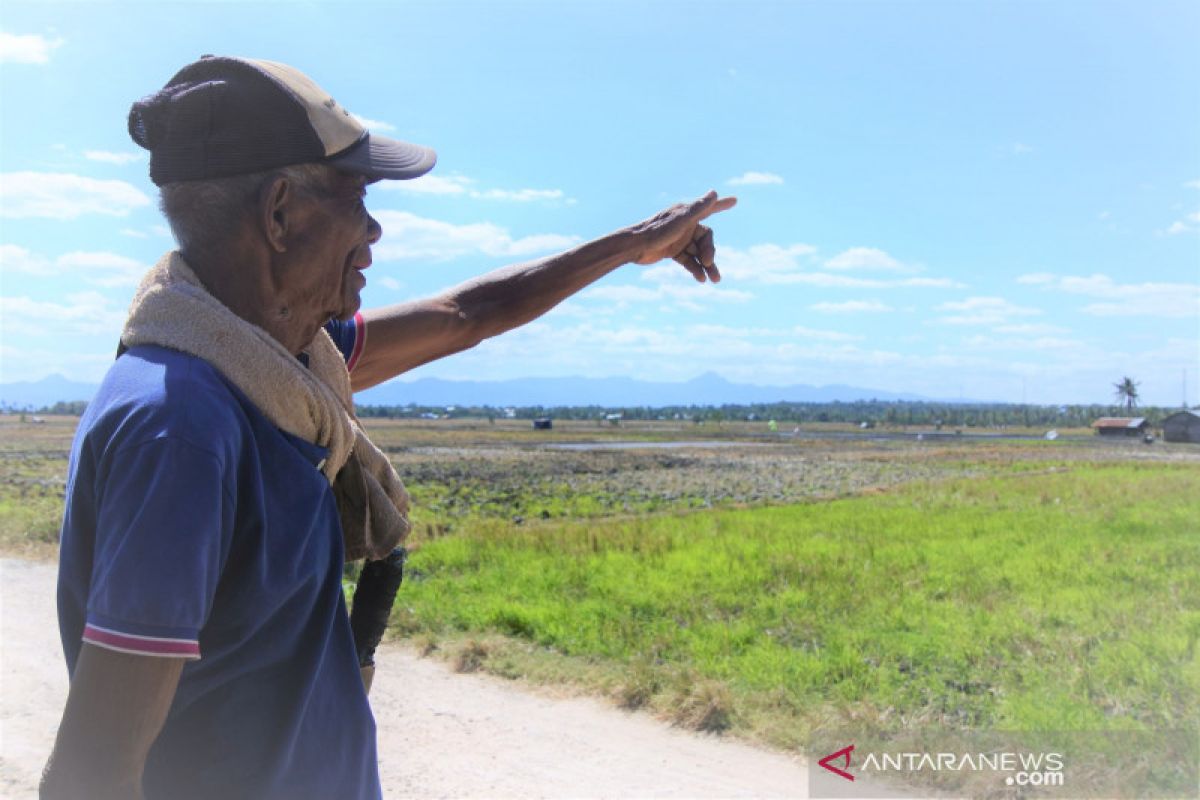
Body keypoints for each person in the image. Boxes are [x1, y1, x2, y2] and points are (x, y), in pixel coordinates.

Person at [40, 55, 735, 800]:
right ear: (279, 213)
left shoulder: (283, 363)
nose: (373, 231)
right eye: (358, 197)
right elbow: (93, 769)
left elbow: (468, 315)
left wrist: (635, 244)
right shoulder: (181, 427)